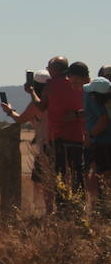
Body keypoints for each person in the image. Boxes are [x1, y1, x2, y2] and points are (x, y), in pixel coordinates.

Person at [29, 56, 87, 206]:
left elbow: (41, 106)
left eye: (49, 67)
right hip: (77, 135)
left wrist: (31, 92)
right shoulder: (78, 84)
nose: (48, 70)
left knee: (59, 175)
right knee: (76, 174)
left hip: (57, 135)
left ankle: (62, 207)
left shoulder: (50, 85)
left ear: (54, 69)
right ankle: (79, 204)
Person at [1, 71, 53, 215]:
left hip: (44, 146)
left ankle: (43, 210)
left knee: (41, 181)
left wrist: (10, 111)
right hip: (58, 142)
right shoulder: (56, 99)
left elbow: (20, 119)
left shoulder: (36, 105)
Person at [84, 73, 111, 213]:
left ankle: (102, 207)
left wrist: (90, 135)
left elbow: (104, 121)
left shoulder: (103, 107)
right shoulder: (106, 104)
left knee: (104, 174)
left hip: (102, 143)